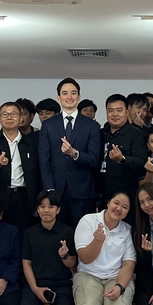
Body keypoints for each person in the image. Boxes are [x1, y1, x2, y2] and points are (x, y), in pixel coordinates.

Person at [72, 192, 137, 305]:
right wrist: (97, 241)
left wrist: (120, 287)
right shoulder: (88, 221)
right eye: (116, 203)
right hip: (88, 275)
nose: (119, 209)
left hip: (117, 278)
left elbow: (129, 263)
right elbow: (85, 258)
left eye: (125, 207)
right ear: (108, 203)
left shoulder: (127, 230)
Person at [39, 77, 101, 225]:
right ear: (58, 97)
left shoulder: (91, 125)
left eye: (73, 93)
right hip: (56, 190)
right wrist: (49, 189)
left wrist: (74, 153)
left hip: (83, 190)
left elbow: (94, 159)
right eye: (65, 93)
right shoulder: (48, 125)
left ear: (79, 97)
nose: (69, 97)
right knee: (58, 233)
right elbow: (44, 160)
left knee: (82, 231)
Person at [0, 101, 41, 235]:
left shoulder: (31, 142)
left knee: (22, 235)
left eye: (13, 114)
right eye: (5, 114)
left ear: (20, 118)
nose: (9, 117)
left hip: (23, 197)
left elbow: (38, 172)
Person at [99, 93, 148, 211]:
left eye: (119, 110)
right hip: (102, 192)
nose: (115, 114)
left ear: (127, 112)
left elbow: (141, 161)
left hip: (126, 193)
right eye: (110, 110)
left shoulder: (136, 134)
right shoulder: (100, 133)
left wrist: (122, 159)